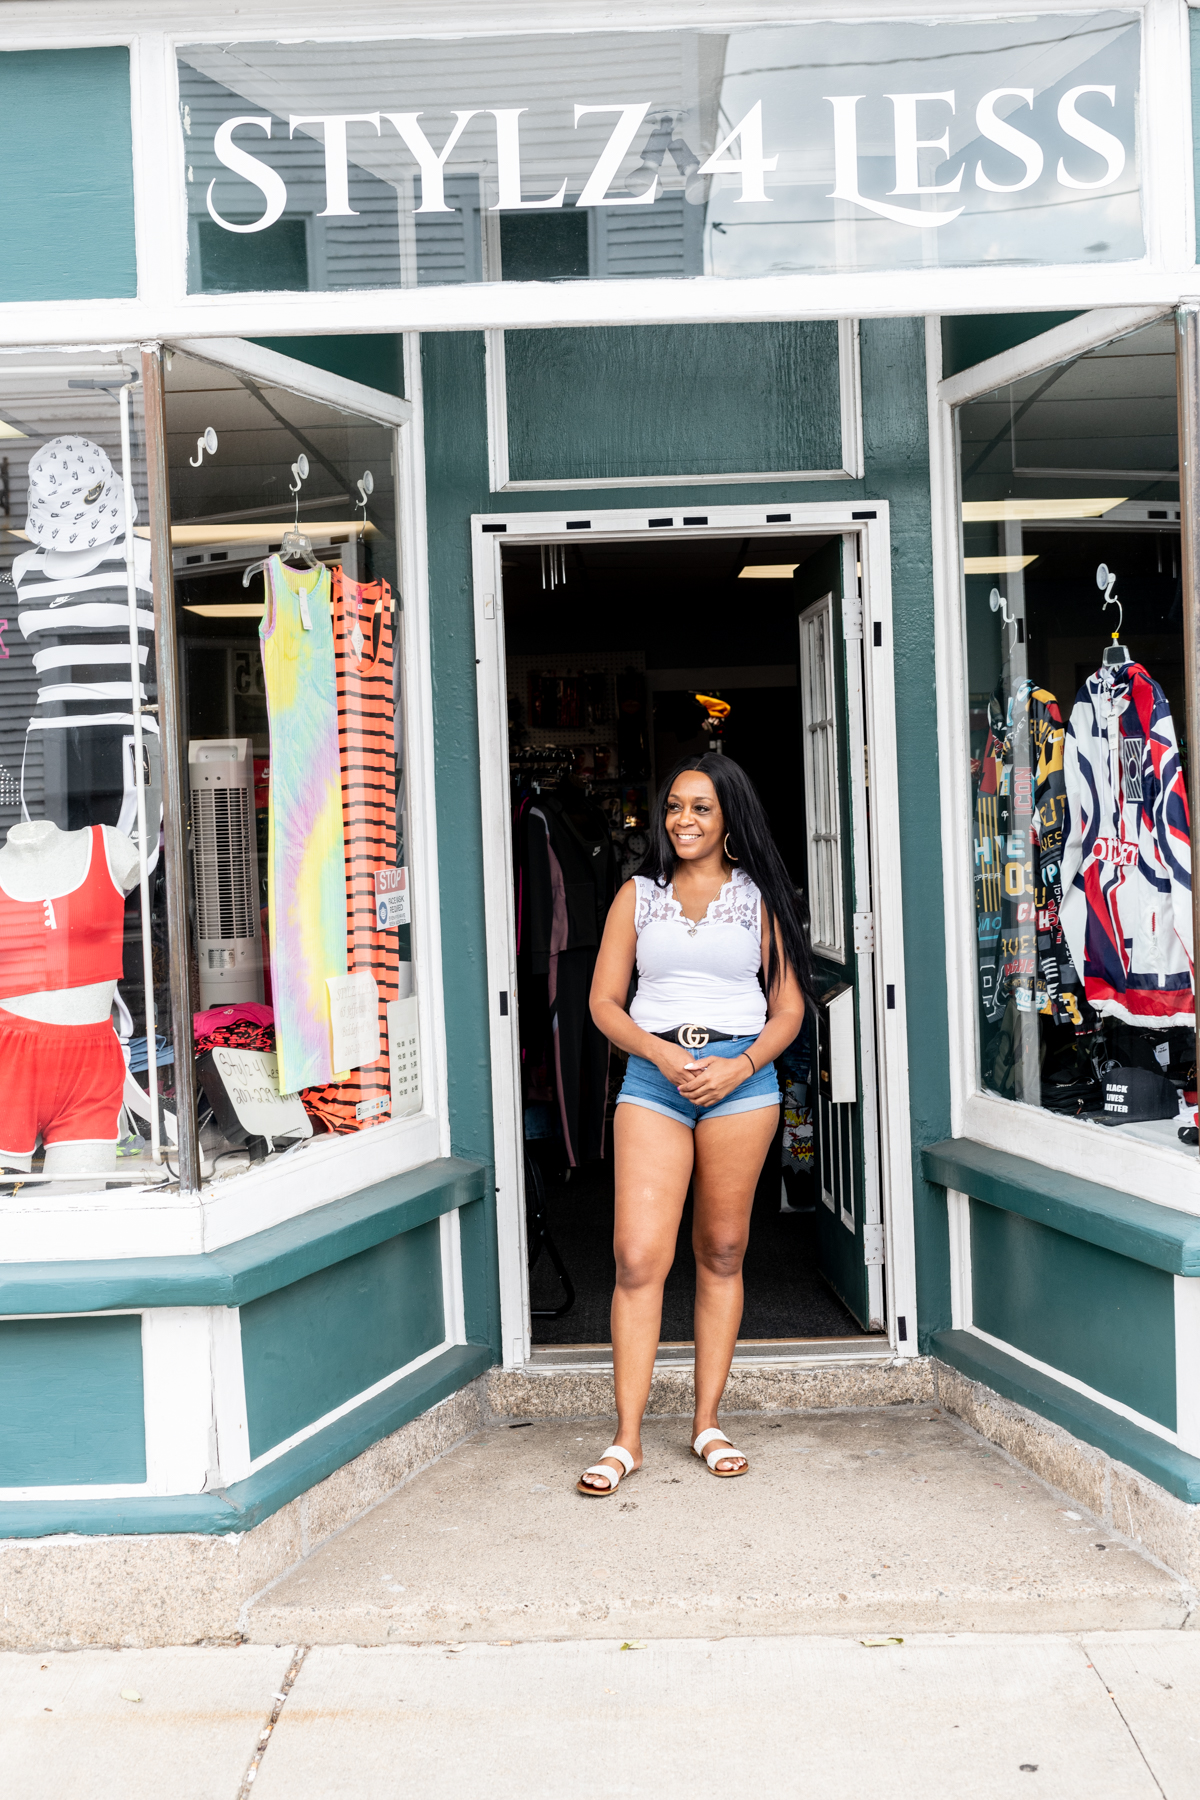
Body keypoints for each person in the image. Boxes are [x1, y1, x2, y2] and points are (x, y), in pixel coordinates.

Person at [577, 754, 815, 1495]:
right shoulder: (637, 897)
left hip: (741, 1084)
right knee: (638, 1258)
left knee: (720, 1249)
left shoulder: (760, 901)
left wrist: (736, 1068)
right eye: (674, 806)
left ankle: (707, 1423)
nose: (682, 820)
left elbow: (790, 1011)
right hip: (655, 1081)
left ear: (728, 818)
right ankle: (626, 1440)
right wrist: (661, 1053)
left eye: (700, 808)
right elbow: (604, 1003)